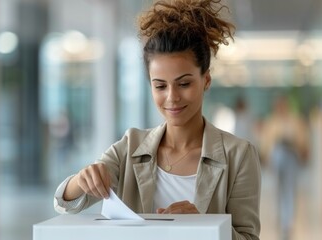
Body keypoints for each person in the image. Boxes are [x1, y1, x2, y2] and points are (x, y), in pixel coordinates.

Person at [53, 0, 261, 239]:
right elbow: (64, 203)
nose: (172, 97)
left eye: (184, 83)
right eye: (160, 86)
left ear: (206, 80)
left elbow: (248, 236)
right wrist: (82, 179)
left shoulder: (239, 155)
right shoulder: (130, 147)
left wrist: (204, 226)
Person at [260, 94, 309, 240]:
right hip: (277, 160)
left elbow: (302, 141)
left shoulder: (295, 120)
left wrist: (301, 151)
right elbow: (266, 143)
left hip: (291, 159)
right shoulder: (271, 122)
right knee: (278, 191)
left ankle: (287, 222)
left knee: (289, 190)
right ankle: (280, 218)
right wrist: (266, 157)